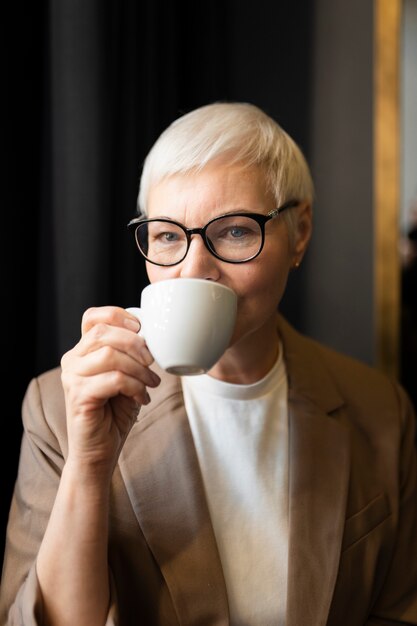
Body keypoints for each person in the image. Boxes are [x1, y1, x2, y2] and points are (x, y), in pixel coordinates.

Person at [1, 102, 416, 626]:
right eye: (168, 236)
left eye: (235, 231)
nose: (194, 271)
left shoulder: (380, 409)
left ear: (301, 233)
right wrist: (88, 465)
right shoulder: (60, 407)